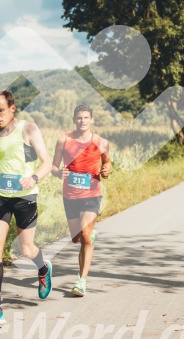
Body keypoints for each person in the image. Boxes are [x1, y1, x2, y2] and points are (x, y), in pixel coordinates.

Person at [0, 90, 52, 325]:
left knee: (26, 249)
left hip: (25, 197)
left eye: (1, 110)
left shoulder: (28, 129)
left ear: (12, 108)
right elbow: (4, 167)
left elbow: (46, 162)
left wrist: (34, 178)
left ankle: (43, 268)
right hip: (1, 196)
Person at [51, 104, 111, 296]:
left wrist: (107, 169)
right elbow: (52, 167)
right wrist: (59, 172)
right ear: (74, 120)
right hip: (70, 196)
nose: (82, 121)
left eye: (86, 117)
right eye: (79, 118)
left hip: (92, 195)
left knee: (85, 235)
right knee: (77, 238)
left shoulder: (101, 142)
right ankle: (88, 237)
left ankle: (81, 281)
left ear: (92, 120)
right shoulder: (64, 141)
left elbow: (107, 162)